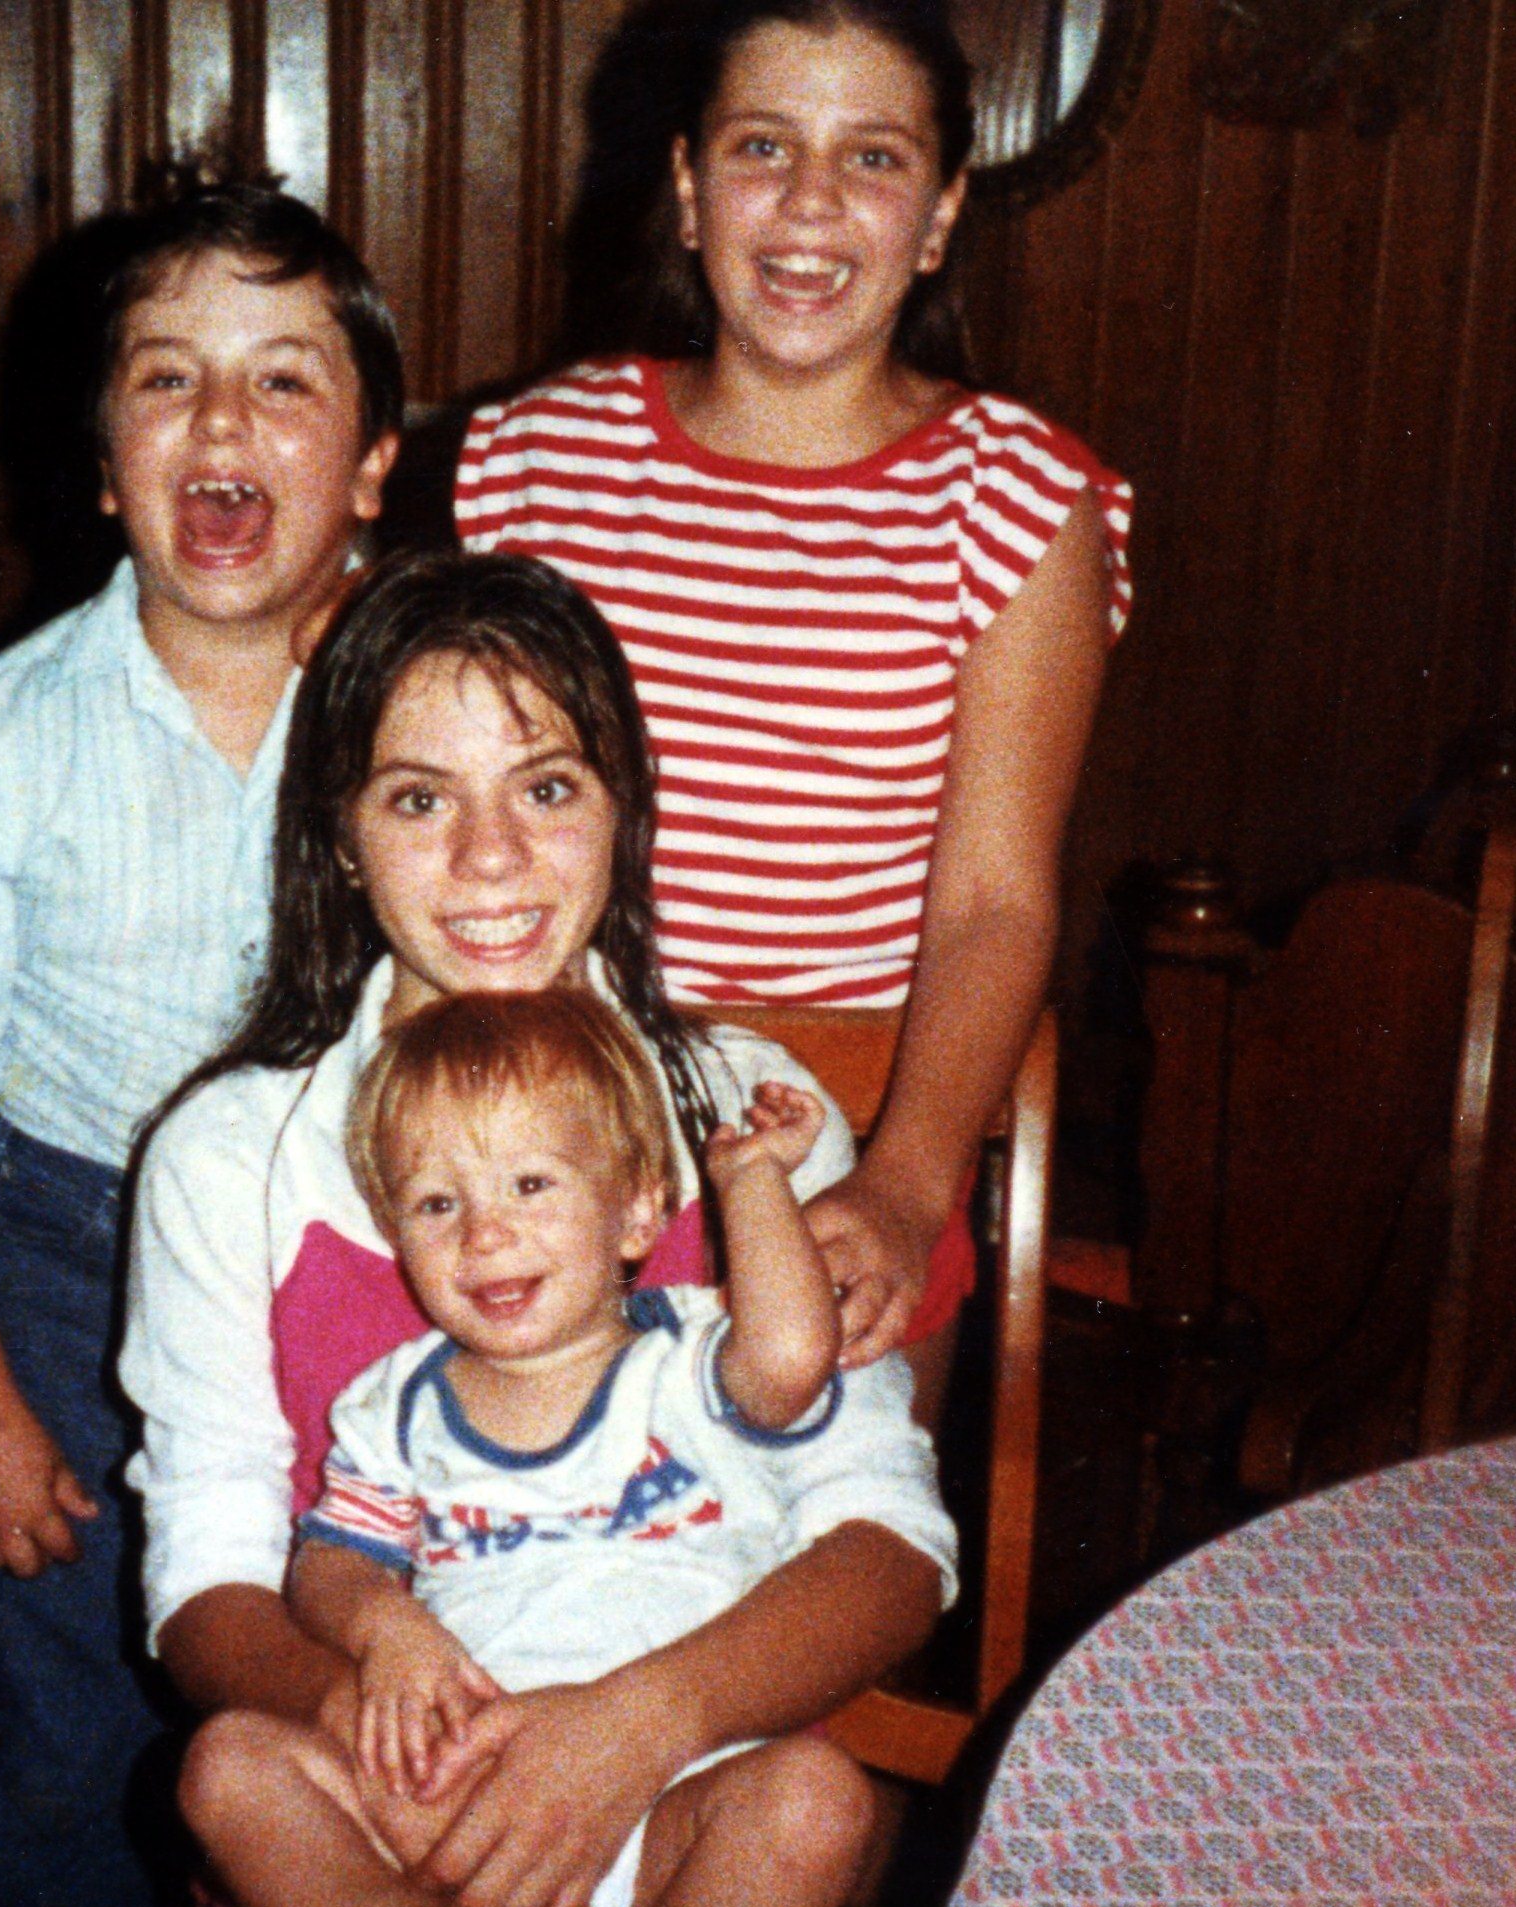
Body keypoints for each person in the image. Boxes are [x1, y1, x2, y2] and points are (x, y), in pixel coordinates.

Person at [121, 548, 951, 1907]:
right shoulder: (227, 1159)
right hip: (381, 1812)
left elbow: (888, 1548)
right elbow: (207, 1593)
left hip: (687, 1812)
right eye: (419, 799)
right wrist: (416, 1746)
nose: (491, 859)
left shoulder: (753, 1124)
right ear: (340, 836)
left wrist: (636, 1727)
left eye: (548, 787)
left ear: (625, 806)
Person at [0, 182, 403, 1907]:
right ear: (100, 463)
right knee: (73, 1724)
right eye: (166, 378)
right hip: (73, 1265)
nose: (222, 420)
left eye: (284, 381)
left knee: (348, 1683)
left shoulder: (426, 710)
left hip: (367, 1263)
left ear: (371, 469)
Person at [455, 0, 1135, 1398]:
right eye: (763, 146)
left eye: (874, 158)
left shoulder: (1015, 499)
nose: (811, 202)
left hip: (851, 1153)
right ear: (690, 188)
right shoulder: (532, 460)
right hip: (536, 1137)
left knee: (822, 1512)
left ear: (940, 215)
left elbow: (995, 903)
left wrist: (906, 1186)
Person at [181, 987, 951, 1907]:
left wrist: (751, 1184)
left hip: (672, 1817)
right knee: (226, 1764)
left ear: (637, 1213)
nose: (485, 1231)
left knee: (817, 1801)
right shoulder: (395, 1402)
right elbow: (329, 1563)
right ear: (395, 1234)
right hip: (448, 1812)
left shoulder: (693, 1357)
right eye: (435, 1204)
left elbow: (788, 1361)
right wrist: (382, 1625)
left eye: (531, 1183)